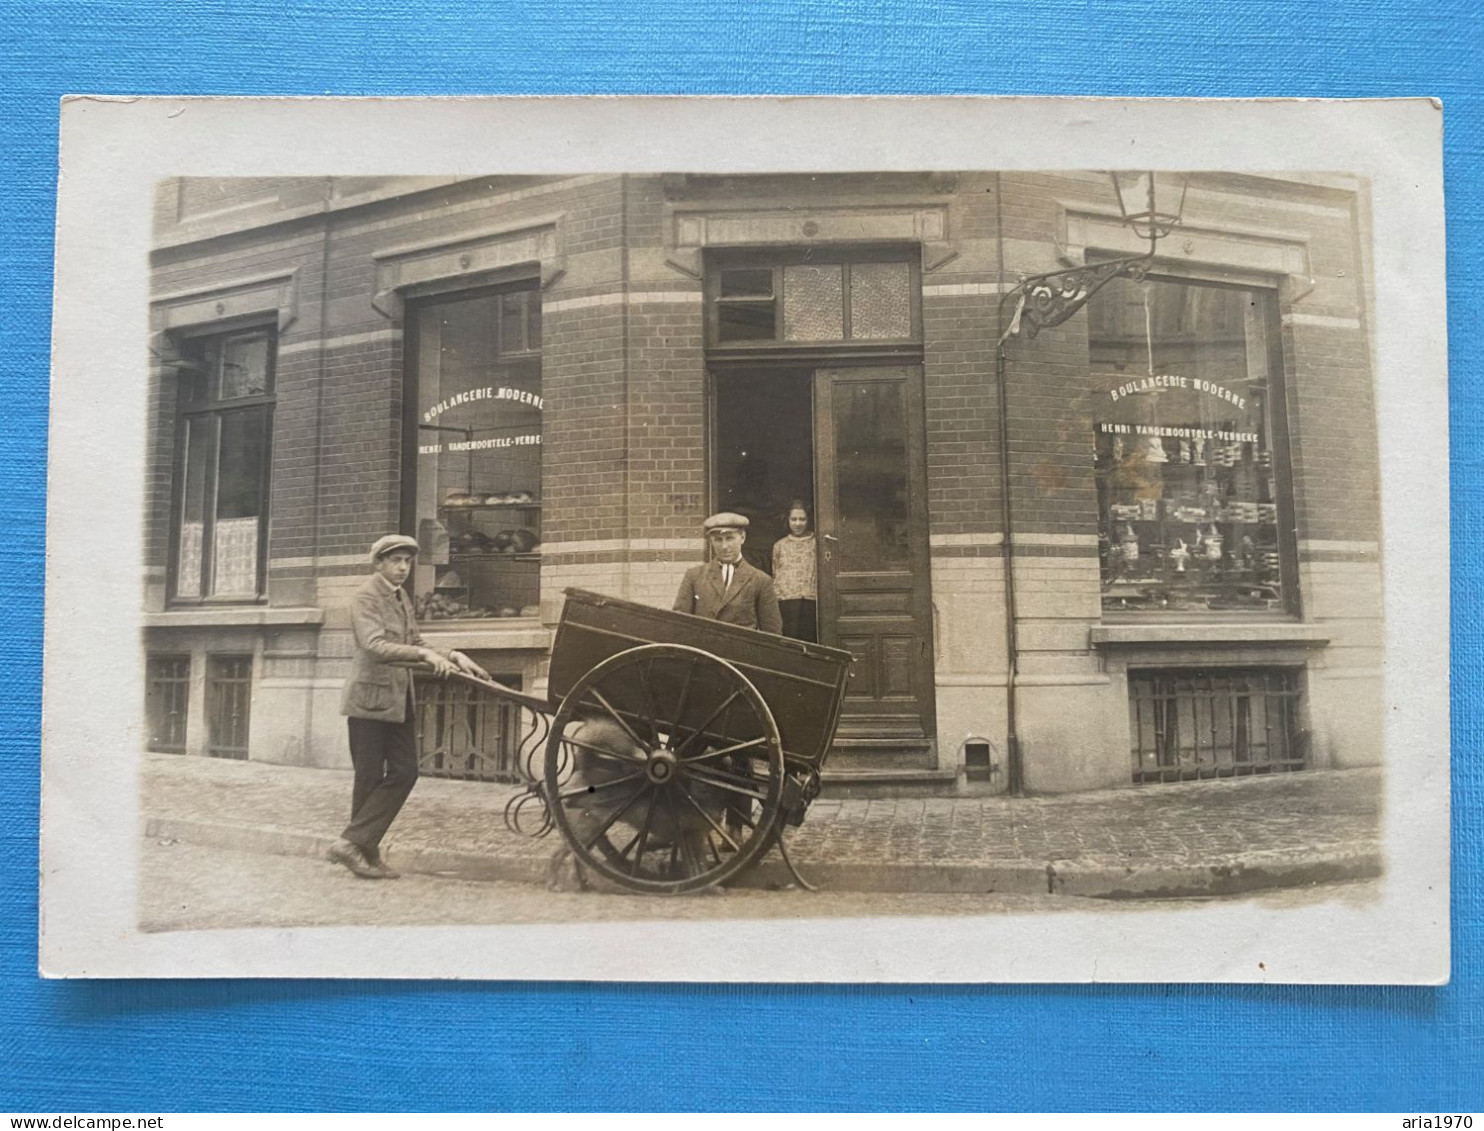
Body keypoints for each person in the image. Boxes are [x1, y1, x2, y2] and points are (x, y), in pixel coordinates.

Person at [327, 534, 488, 880]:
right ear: (379, 563)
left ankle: (352, 844)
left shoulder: (400, 598)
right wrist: (423, 655)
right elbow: (374, 646)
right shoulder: (365, 597)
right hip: (368, 701)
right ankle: (364, 853)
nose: (403, 567)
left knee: (405, 771)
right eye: (396, 561)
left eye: (407, 561)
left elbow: (415, 642)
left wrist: (453, 655)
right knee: (368, 779)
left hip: (398, 700)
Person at [672, 512, 782, 634]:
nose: (724, 546)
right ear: (711, 541)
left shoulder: (761, 580)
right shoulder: (694, 576)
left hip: (742, 651)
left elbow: (772, 633)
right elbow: (679, 624)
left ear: (743, 537)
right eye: (718, 540)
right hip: (704, 651)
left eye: (730, 538)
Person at [771, 500, 818, 642]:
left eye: (802, 519)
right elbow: (775, 572)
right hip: (786, 601)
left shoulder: (816, 542)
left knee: (809, 640)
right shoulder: (779, 545)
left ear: (808, 520)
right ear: (788, 520)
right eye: (794, 519)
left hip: (809, 600)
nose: (798, 523)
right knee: (789, 640)